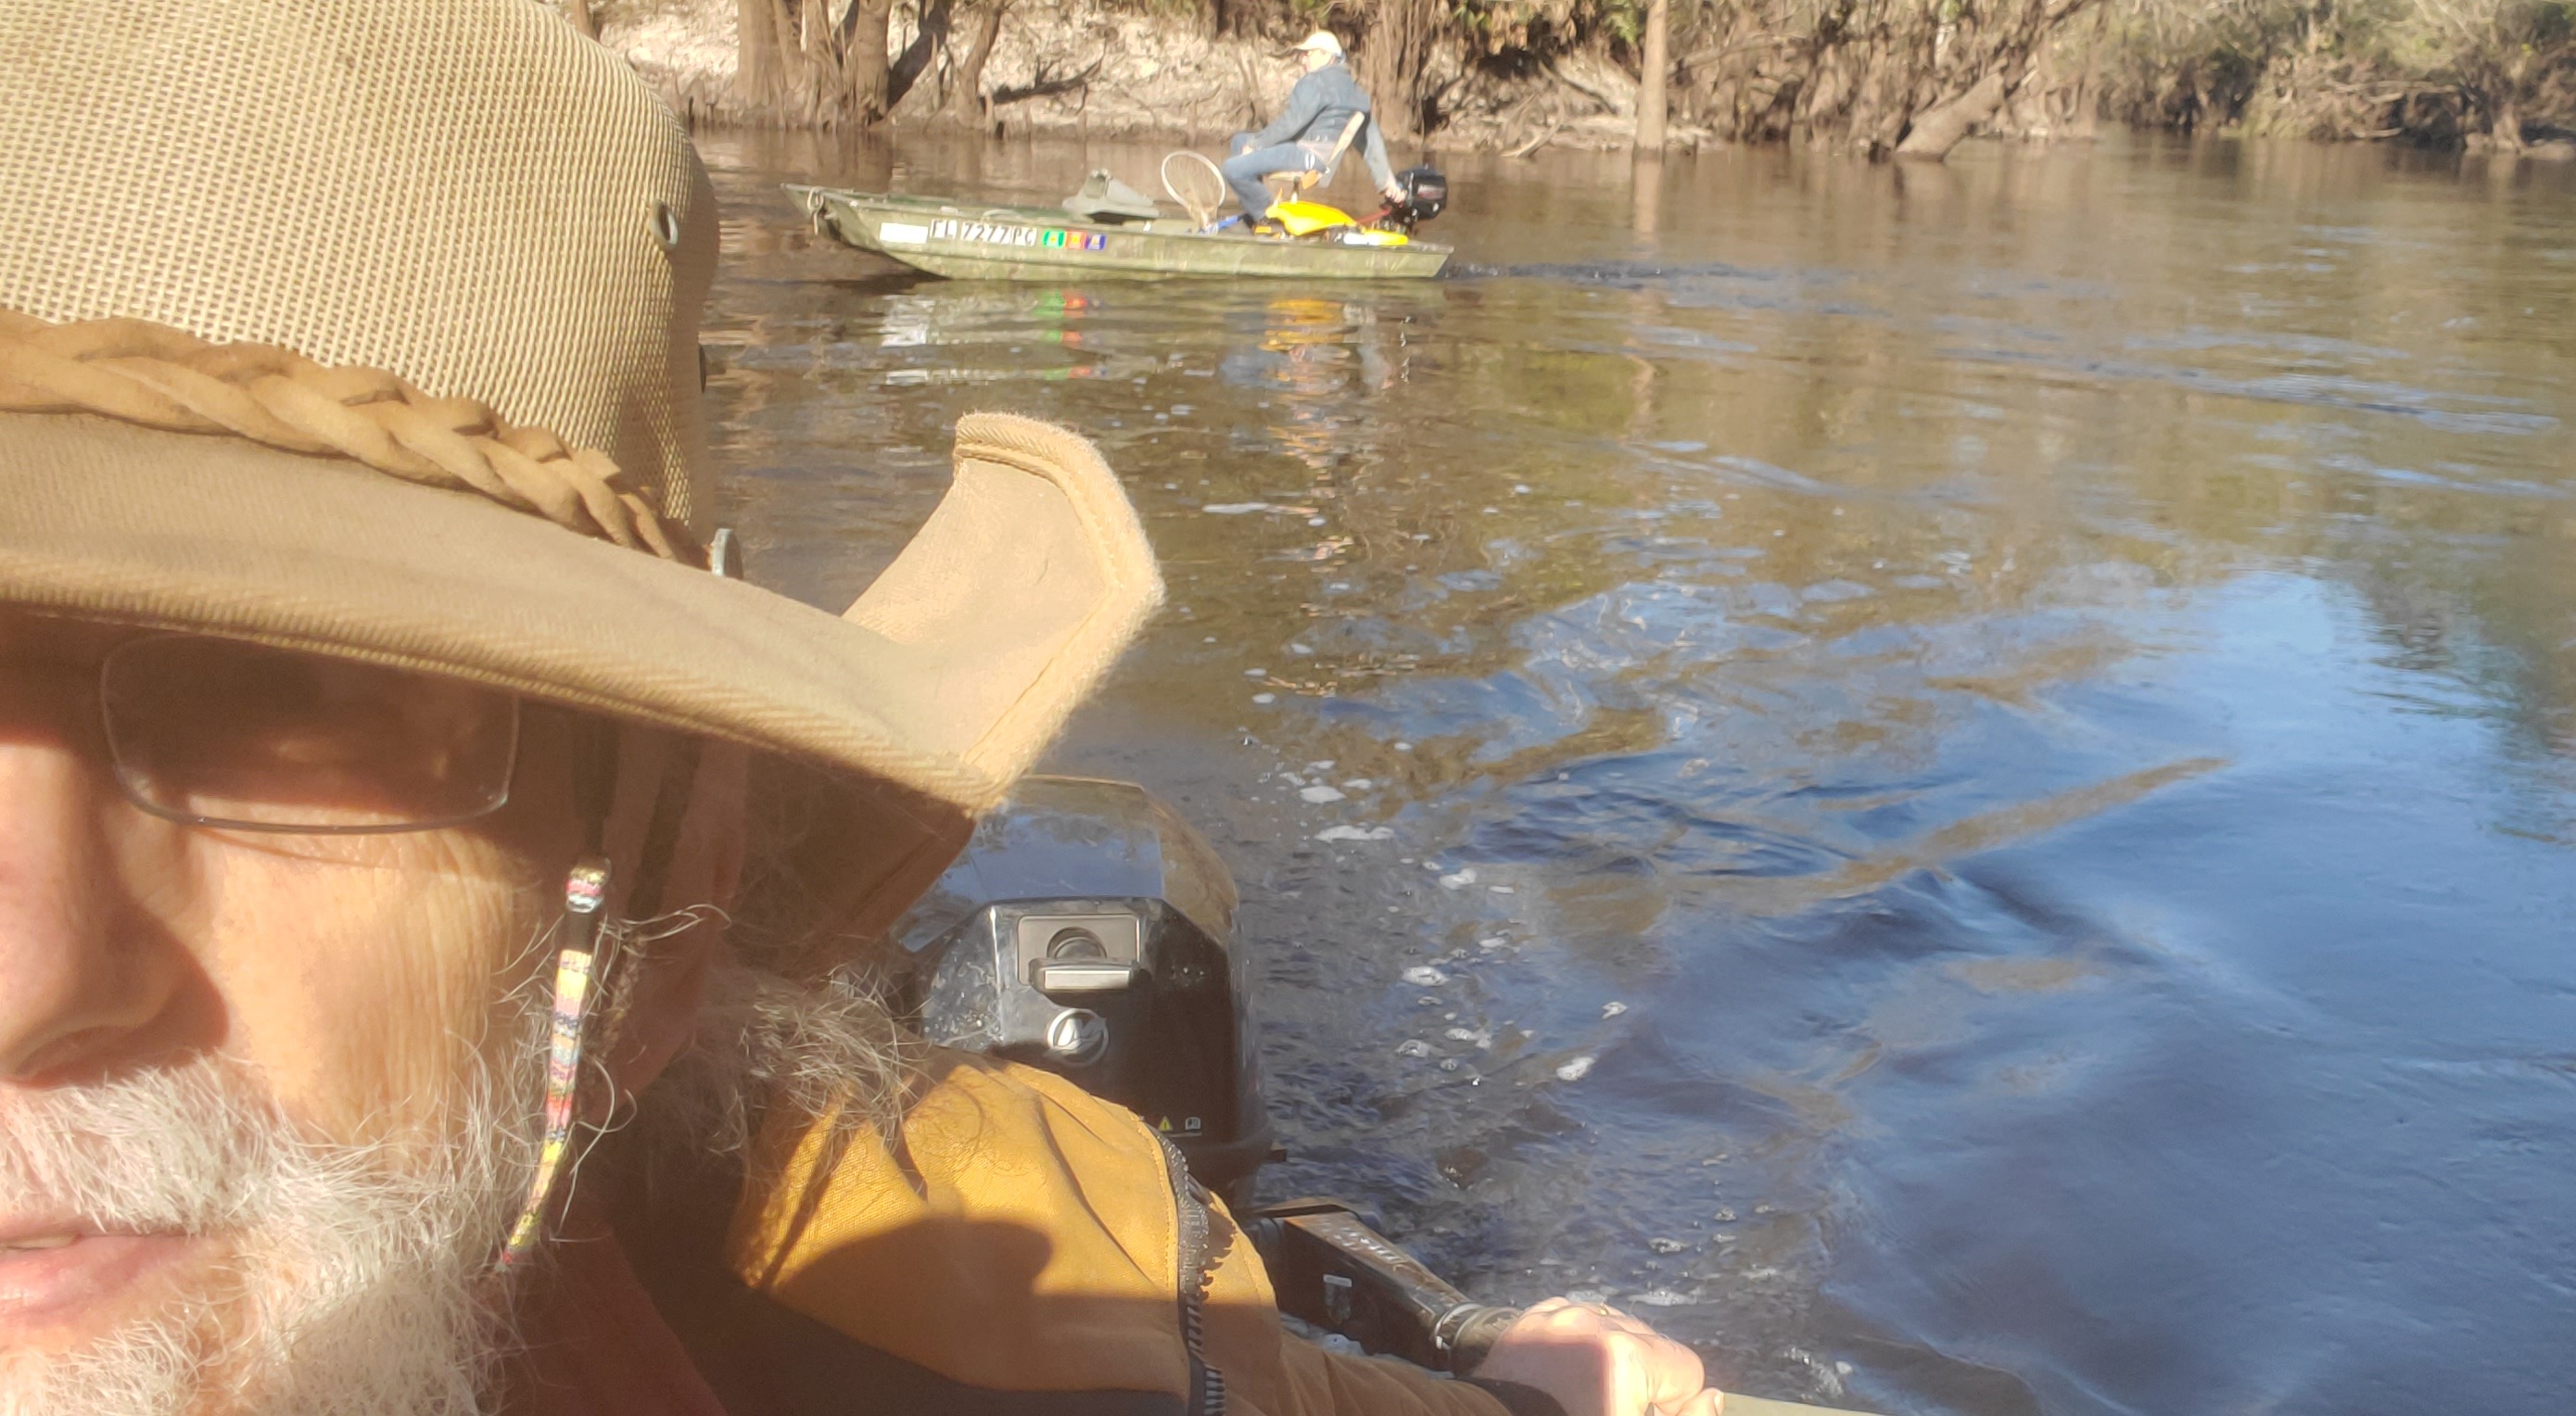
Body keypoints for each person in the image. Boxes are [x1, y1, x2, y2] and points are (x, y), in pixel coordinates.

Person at [0, 5, 1718, 1416]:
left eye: (308, 693)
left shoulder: (986, 1301)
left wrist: (1534, 1402)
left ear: (664, 905)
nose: (24, 975)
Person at [1221, 32, 1406, 225]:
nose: (1303, 60)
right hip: (1318, 158)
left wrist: (1257, 144)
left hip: (1305, 154)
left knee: (1232, 169)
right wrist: (1387, 182)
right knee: (1239, 141)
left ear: (1326, 55)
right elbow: (1371, 140)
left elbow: (1290, 124)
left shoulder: (1315, 82)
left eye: (1308, 53)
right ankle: (1256, 210)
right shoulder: (1355, 90)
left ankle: (1269, 218)